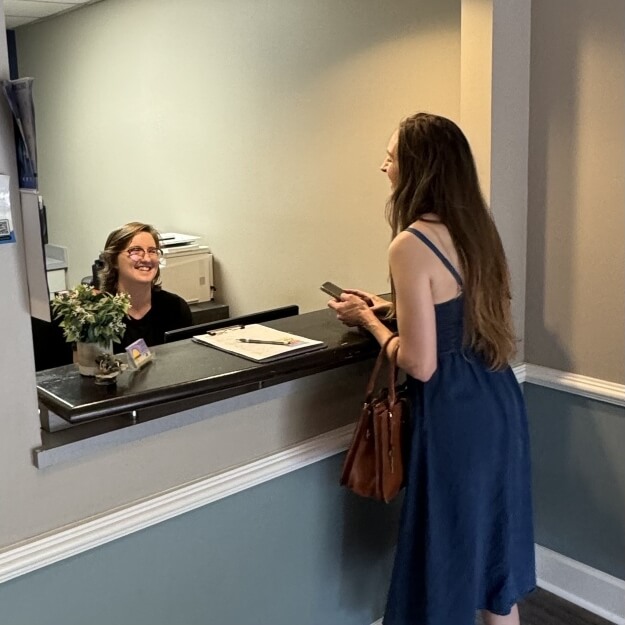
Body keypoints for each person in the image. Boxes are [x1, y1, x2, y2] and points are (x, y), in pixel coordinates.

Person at [328, 113, 535, 625]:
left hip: (454, 414)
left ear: (419, 169)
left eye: (392, 157)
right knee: (493, 555)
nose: (384, 166)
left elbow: (420, 364)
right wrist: (390, 308)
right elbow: (458, 316)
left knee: (446, 550)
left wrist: (370, 324)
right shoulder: (478, 231)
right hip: (498, 398)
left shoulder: (410, 244)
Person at [98, 222, 192, 350]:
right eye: (135, 251)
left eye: (152, 251)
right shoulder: (96, 313)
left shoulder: (175, 308)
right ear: (113, 260)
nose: (147, 259)